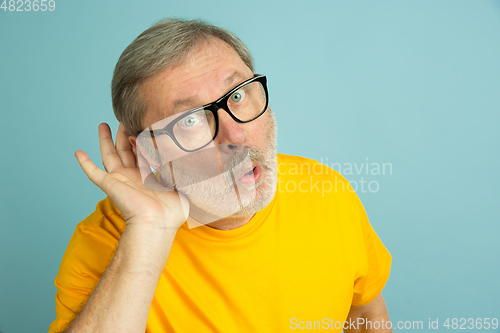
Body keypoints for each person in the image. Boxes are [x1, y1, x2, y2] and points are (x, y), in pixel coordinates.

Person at [48, 18, 392, 333]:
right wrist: (149, 231)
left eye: (238, 95)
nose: (235, 137)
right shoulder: (105, 242)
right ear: (149, 151)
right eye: (191, 120)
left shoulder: (325, 189)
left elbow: (365, 316)